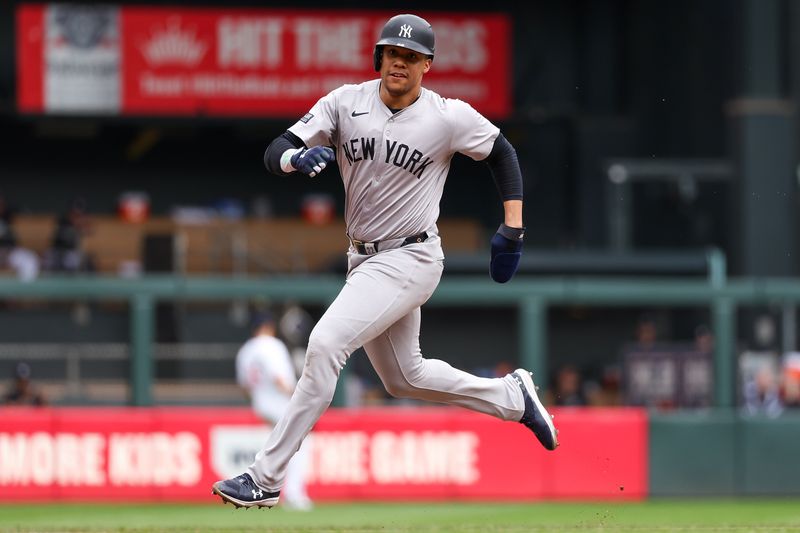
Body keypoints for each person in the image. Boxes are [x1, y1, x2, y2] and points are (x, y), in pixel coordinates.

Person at [212, 13, 558, 509]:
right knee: (404, 378)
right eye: (393, 53)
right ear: (380, 58)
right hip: (364, 258)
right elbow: (278, 148)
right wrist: (295, 160)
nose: (400, 62)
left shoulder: (447, 115)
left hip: (412, 254)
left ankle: (265, 478)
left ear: (427, 66)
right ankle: (512, 397)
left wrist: (513, 227)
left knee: (325, 343)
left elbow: (502, 152)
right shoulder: (344, 102)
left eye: (411, 56)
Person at [235, 311, 313, 510]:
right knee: (300, 444)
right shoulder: (272, 345)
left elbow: (244, 387)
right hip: (279, 402)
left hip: (260, 403)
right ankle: (294, 495)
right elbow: (280, 379)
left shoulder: (245, 350)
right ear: (269, 326)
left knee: (279, 446)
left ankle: (262, 487)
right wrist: (299, 399)